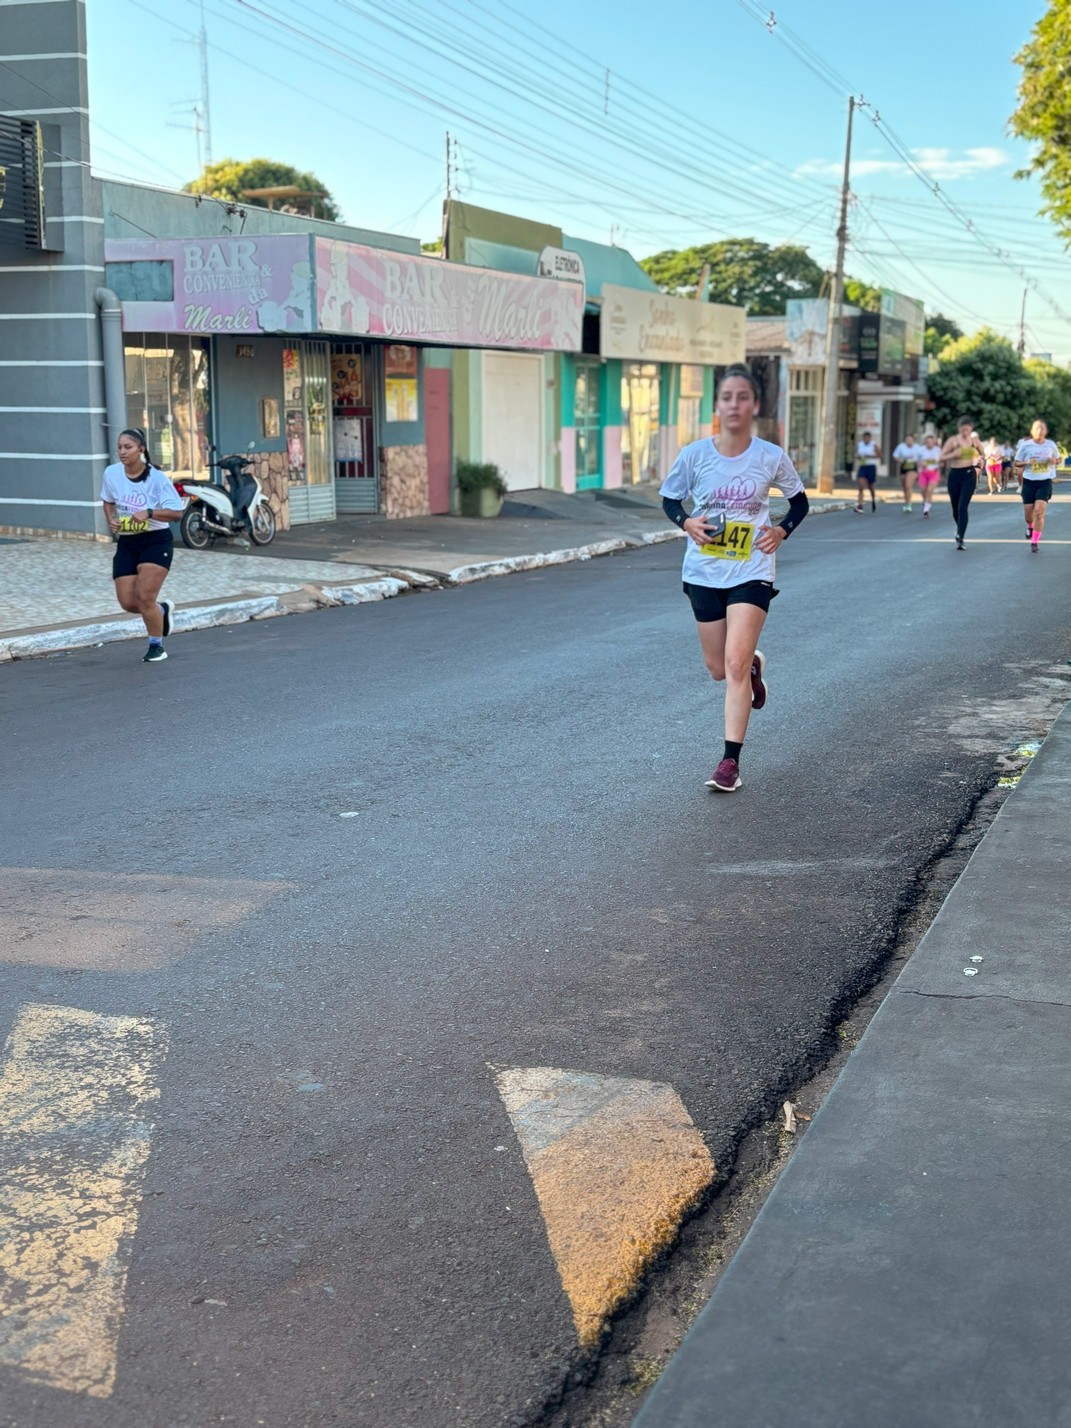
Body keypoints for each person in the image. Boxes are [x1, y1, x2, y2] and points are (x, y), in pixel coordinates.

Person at [661, 363, 809, 793]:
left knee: (734, 664)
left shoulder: (770, 456)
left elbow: (799, 504)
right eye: (727, 397)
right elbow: (671, 499)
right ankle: (754, 666)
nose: (734, 404)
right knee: (716, 669)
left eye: (743, 396)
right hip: (704, 570)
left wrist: (780, 530)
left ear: (754, 405)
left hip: (752, 570)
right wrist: (686, 523)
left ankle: (730, 762)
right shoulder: (694, 455)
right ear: (717, 405)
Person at [100, 428, 184, 661]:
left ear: (141, 450)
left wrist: (149, 512)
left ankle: (156, 646)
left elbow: (176, 512)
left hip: (155, 541)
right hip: (128, 541)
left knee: (145, 596)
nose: (122, 452)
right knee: (128, 602)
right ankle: (162, 612)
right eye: (119, 447)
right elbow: (108, 501)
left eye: (128, 447)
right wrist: (110, 520)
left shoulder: (156, 479)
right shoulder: (112, 473)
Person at [1014, 419, 1060, 554]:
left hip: (1045, 481)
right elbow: (1016, 463)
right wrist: (1027, 461)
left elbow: (1058, 459)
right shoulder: (1025, 446)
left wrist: (1055, 461)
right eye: (1037, 428)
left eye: (1042, 428)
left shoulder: (1051, 445)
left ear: (1045, 431)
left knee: (1039, 511)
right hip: (1029, 482)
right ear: (1032, 431)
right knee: (1029, 516)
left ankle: (1035, 542)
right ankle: (1030, 526)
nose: (1039, 431)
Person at [939, 419, 984, 550]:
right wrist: (954, 454)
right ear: (959, 429)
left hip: (969, 475)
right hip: (954, 475)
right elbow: (941, 456)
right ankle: (959, 528)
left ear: (971, 429)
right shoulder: (953, 441)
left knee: (962, 507)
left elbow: (983, 453)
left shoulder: (974, 441)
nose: (965, 431)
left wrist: (981, 459)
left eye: (967, 429)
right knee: (955, 507)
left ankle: (960, 537)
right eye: (963, 429)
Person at [892, 433, 922, 512]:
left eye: (911, 440)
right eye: (907, 440)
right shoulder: (901, 447)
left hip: (913, 467)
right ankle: (906, 501)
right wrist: (900, 460)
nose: (909, 441)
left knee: (908, 485)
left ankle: (909, 504)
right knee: (904, 486)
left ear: (914, 441)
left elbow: (922, 457)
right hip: (904, 467)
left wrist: (920, 466)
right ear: (905, 441)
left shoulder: (917, 448)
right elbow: (895, 455)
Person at [854, 432, 882, 514]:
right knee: (861, 485)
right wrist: (859, 457)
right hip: (863, 466)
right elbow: (856, 454)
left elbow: (880, 454)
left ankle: (873, 499)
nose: (866, 439)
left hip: (871, 466)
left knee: (871, 486)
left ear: (870, 438)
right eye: (865, 438)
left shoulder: (873, 444)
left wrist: (869, 456)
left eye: (867, 438)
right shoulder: (860, 444)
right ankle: (860, 505)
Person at [917, 434, 941, 518]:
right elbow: (917, 461)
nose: (929, 443)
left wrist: (940, 463)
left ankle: (926, 510)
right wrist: (921, 464)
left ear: (934, 442)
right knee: (923, 491)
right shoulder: (921, 450)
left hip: (933, 473)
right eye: (927, 442)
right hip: (923, 473)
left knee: (929, 491)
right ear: (925, 442)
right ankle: (926, 502)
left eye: (931, 442)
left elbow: (941, 461)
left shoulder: (938, 450)